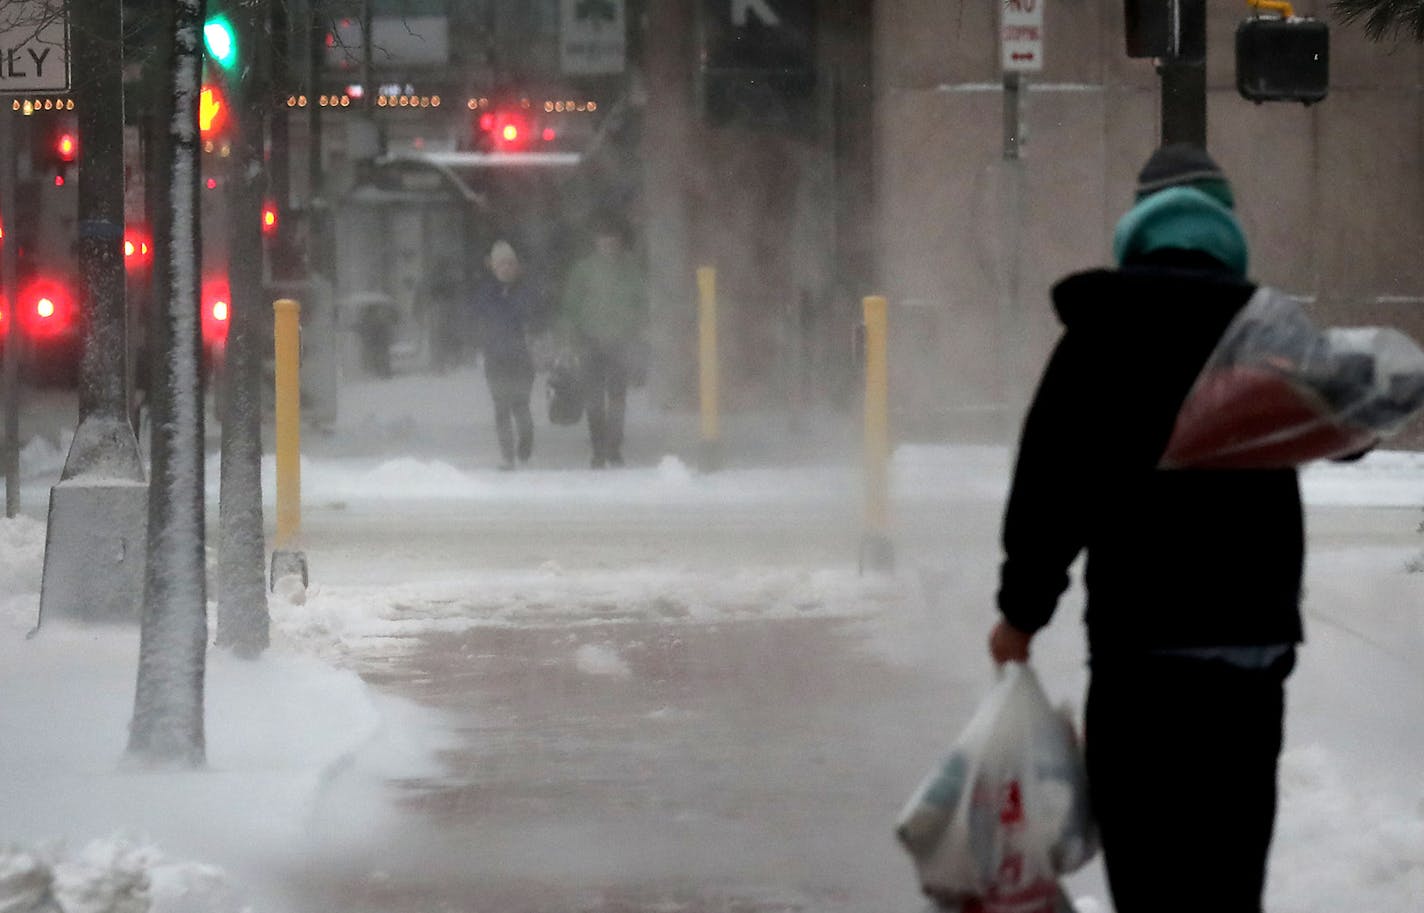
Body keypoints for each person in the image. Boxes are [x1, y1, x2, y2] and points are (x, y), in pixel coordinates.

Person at [988, 144, 1302, 913]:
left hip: (1140, 661)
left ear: (1138, 227)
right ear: (1226, 230)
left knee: (1152, 884)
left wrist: (1021, 614)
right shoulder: (1269, 334)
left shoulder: (1098, 336)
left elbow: (1048, 488)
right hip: (1246, 660)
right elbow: (1356, 426)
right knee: (1229, 883)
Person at [559, 214, 648, 468]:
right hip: (591, 341)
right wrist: (570, 336)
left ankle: (613, 447)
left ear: (620, 241)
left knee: (618, 397)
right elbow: (571, 306)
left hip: (621, 341)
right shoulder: (583, 269)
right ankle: (598, 449)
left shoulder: (631, 269)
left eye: (613, 239)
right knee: (594, 398)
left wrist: (638, 329)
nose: (609, 244)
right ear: (596, 242)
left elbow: (642, 302)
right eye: (603, 239)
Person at [470, 240, 540, 470]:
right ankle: (507, 456)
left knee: (521, 405)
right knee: (501, 408)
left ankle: (525, 445)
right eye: (502, 264)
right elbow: (477, 323)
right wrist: (479, 347)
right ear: (493, 266)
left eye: (510, 263)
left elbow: (533, 318)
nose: (506, 268)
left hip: (521, 358)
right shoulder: (484, 292)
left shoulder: (526, 291)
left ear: (517, 266)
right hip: (495, 358)